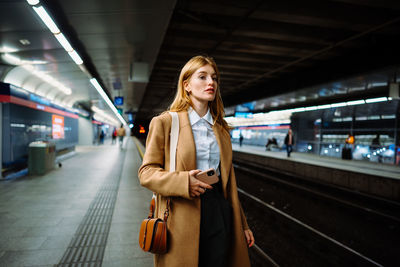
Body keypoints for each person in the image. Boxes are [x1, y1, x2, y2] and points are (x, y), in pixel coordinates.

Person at [138, 55, 254, 267]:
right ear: (187, 85)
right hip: (181, 214)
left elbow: (230, 185)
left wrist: (242, 225)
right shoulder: (165, 122)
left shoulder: (221, 130)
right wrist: (184, 182)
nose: (211, 83)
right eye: (202, 77)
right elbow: (146, 173)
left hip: (218, 210)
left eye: (214, 78)